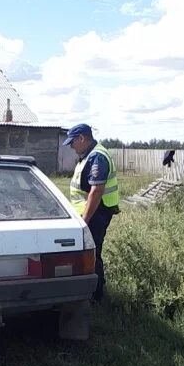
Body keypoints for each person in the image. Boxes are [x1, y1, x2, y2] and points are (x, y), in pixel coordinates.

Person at [62, 123, 120, 303]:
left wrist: (84, 221)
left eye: (73, 142)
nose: (71, 146)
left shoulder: (97, 157)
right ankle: (90, 292)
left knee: (92, 252)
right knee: (88, 251)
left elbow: (96, 191)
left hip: (96, 213)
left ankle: (96, 296)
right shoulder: (88, 155)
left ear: (82, 138)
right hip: (92, 212)